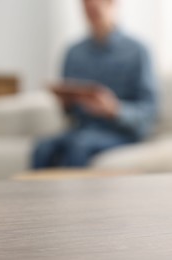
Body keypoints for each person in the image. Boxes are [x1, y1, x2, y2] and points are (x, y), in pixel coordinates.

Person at [31, 0, 158, 168]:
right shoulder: (74, 52)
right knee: (42, 147)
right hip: (81, 129)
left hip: (119, 132)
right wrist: (66, 103)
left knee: (79, 146)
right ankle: (38, 194)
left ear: (112, 4)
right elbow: (69, 113)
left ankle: (75, 195)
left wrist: (114, 110)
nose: (92, 16)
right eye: (88, 10)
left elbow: (149, 111)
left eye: (96, 10)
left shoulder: (138, 51)